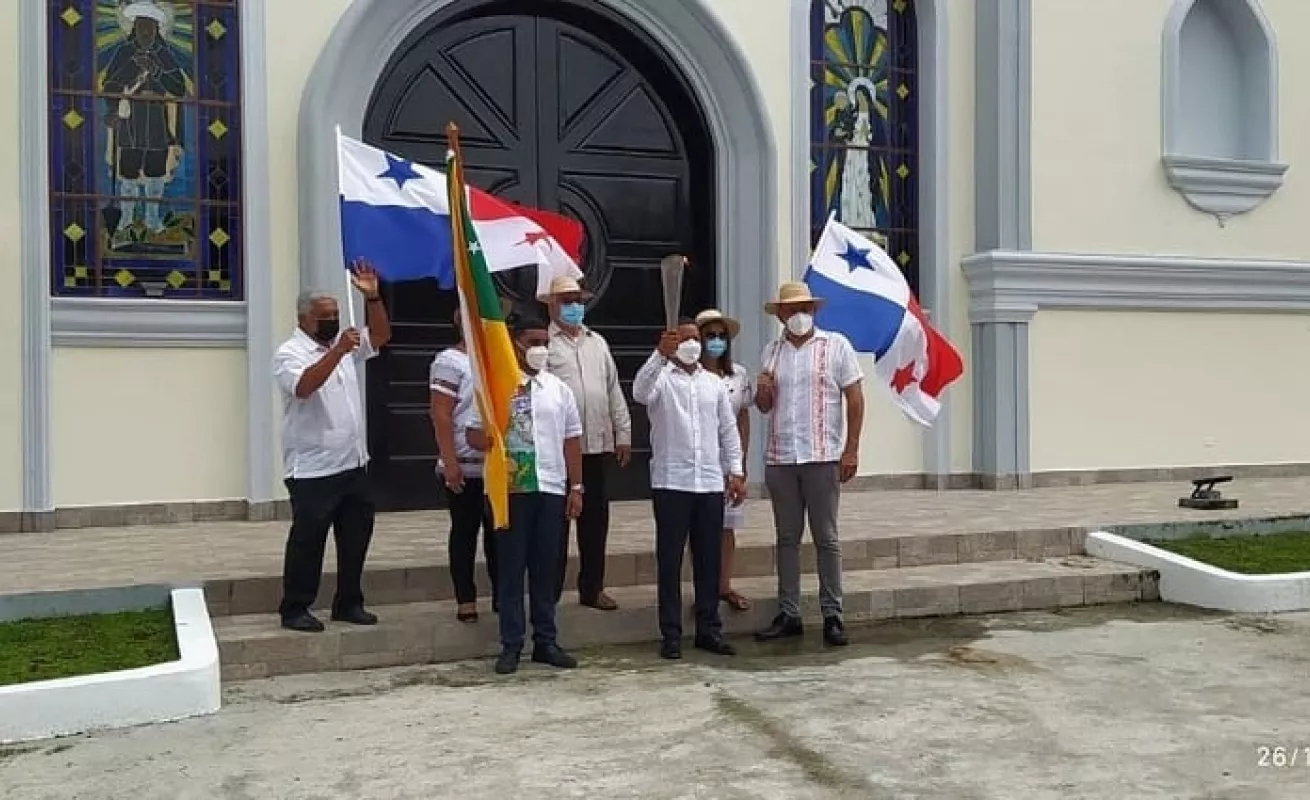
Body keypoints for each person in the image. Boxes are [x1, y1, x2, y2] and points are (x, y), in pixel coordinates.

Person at [272, 262, 392, 633]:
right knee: (308, 541)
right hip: (313, 468)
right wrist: (338, 351)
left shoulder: (344, 345)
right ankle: (295, 607)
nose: (333, 321)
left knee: (355, 538)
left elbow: (382, 336)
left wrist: (372, 297)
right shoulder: (289, 353)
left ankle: (349, 601)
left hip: (353, 462)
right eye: (326, 316)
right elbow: (304, 387)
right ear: (305, 318)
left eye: (337, 315)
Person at [467, 314, 585, 675]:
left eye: (544, 343)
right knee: (511, 567)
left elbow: (571, 440)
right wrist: (486, 440)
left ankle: (546, 641)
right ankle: (511, 644)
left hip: (549, 486)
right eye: (533, 343)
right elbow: (472, 433)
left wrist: (576, 487)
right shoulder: (496, 386)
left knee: (545, 568)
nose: (540, 349)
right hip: (512, 489)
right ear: (515, 344)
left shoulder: (558, 389)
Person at [753, 282, 864, 647]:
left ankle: (832, 613)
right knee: (786, 538)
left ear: (813, 311)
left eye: (805, 308)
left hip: (821, 455)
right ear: (781, 314)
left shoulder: (836, 346)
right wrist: (764, 392)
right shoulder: (772, 351)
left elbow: (855, 398)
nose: (798, 315)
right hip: (782, 456)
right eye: (791, 309)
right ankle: (789, 612)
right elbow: (765, 406)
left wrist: (851, 450)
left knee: (826, 537)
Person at [634, 319, 746, 659]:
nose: (693, 344)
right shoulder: (661, 380)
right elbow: (639, 392)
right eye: (685, 339)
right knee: (669, 561)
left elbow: (728, 430)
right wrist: (658, 355)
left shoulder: (713, 384)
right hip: (672, 483)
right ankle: (670, 634)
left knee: (708, 560)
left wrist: (737, 472)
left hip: (709, 482)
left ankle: (708, 629)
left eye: (695, 338)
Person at [542, 275, 632, 611]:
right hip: (559, 448)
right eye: (567, 301)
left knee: (595, 522)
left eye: (578, 300)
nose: (574, 307)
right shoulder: (545, 345)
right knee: (556, 525)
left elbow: (612, 389)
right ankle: (548, 591)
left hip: (595, 444)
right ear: (551, 305)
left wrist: (621, 431)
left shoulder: (597, 342)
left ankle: (592, 587)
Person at [430, 308, 497, 623]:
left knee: (499, 534)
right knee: (465, 531)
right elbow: (441, 412)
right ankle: (465, 598)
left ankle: (502, 594)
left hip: (496, 462)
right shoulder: (449, 360)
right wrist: (450, 461)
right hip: (463, 459)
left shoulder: (498, 356)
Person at [695, 308, 754, 612]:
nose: (716, 341)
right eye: (710, 336)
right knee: (701, 527)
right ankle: (702, 588)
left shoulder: (738, 375)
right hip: (699, 460)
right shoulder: (691, 375)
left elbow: (743, 418)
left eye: (721, 336)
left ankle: (723, 585)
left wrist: (739, 465)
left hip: (728, 461)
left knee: (727, 527)